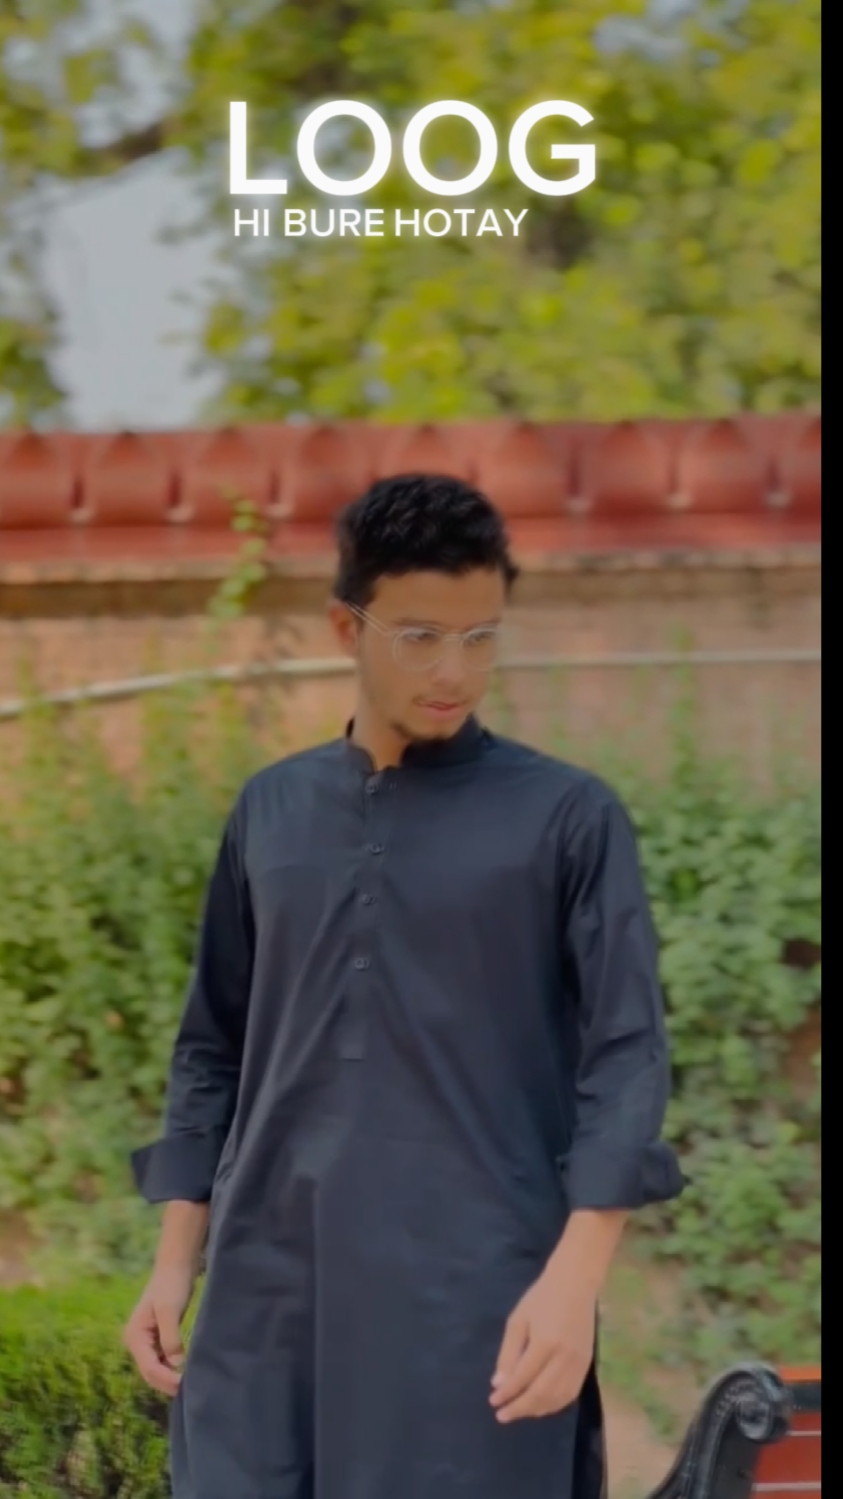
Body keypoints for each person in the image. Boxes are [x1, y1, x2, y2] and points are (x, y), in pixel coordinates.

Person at [124, 473, 684, 1499]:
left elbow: (626, 1058)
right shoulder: (270, 810)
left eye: (481, 637)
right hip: (265, 1295)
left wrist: (575, 1279)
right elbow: (213, 1045)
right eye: (420, 635)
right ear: (347, 625)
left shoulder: (566, 817)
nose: (454, 669)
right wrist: (174, 1264)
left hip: (477, 1299)